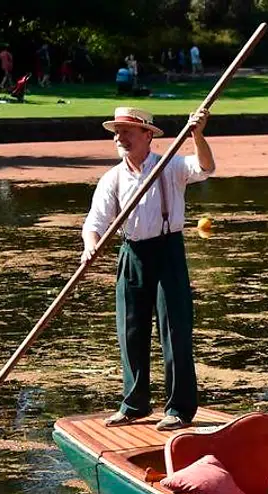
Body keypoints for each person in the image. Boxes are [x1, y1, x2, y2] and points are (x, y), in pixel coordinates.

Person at [81, 107, 215, 432]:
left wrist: (197, 134)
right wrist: (91, 244)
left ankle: (180, 409)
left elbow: (206, 167)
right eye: (117, 132)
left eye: (127, 131)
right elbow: (94, 223)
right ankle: (134, 404)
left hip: (167, 249)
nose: (119, 137)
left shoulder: (171, 166)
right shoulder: (112, 178)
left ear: (147, 135)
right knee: (130, 330)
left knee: (175, 330)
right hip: (132, 252)